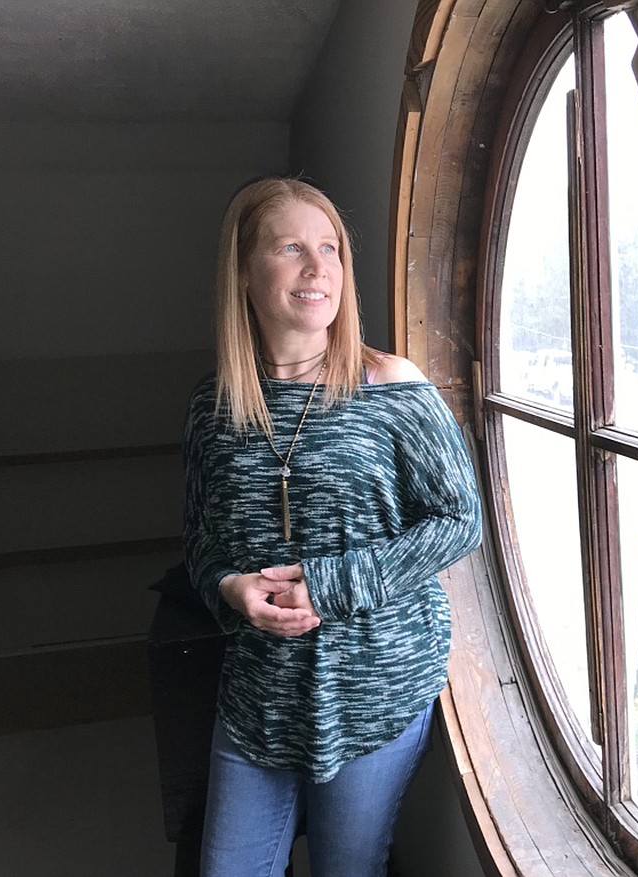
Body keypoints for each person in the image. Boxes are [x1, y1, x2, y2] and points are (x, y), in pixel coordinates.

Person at [182, 177, 483, 877]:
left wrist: (329, 584)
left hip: (375, 685)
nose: (319, 268)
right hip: (259, 691)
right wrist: (228, 585)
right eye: (291, 247)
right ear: (244, 271)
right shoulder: (214, 406)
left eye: (331, 249)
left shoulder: (391, 385)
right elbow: (198, 537)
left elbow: (460, 520)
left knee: (348, 868)